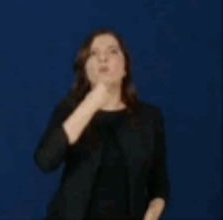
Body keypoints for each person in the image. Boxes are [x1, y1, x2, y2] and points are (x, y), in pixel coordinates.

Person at [35, 29, 169, 220]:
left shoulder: (149, 117)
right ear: (85, 67)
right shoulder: (70, 110)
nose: (103, 58)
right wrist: (93, 101)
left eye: (112, 51)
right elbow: (45, 160)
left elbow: (159, 183)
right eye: (94, 53)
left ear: (125, 68)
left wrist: (153, 213)